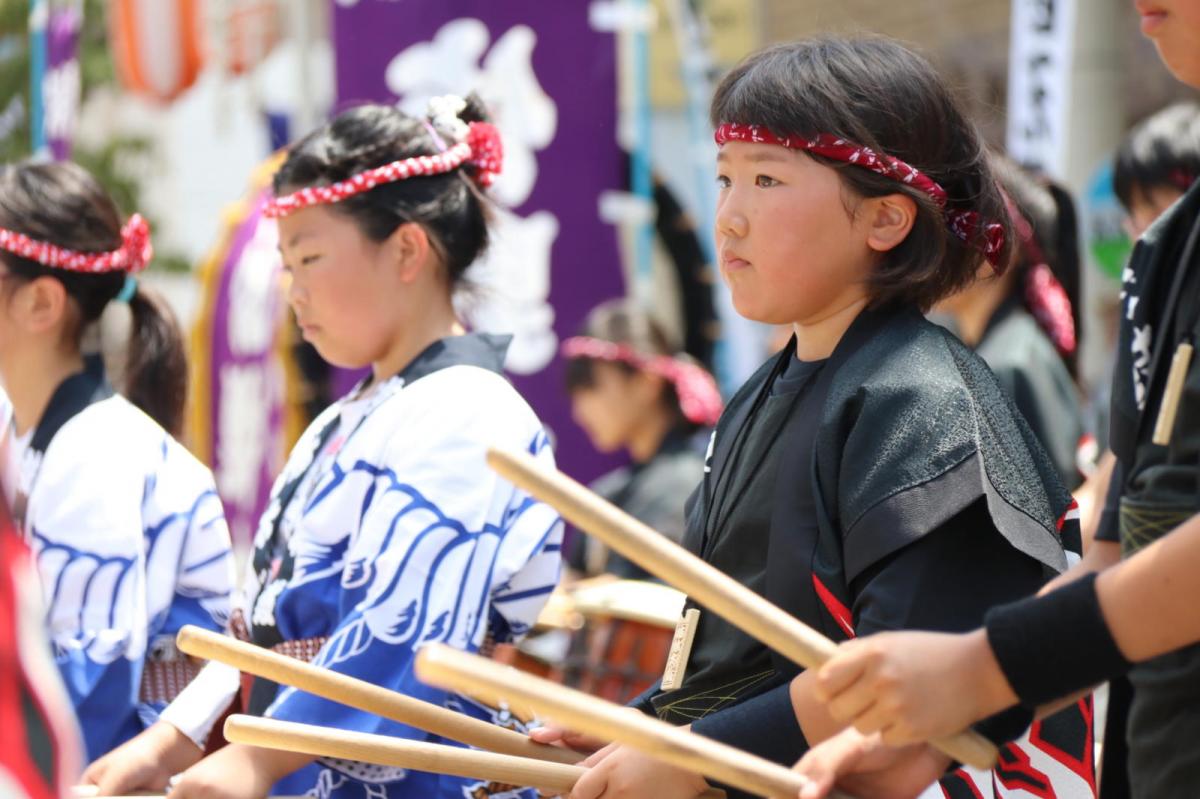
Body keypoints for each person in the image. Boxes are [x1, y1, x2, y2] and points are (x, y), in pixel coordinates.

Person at [533, 36, 1091, 799]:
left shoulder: (922, 400)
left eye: (765, 178)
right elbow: (747, 659)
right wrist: (648, 726)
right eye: (726, 178)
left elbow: (905, 675)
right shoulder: (762, 393)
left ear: (887, 219)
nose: (728, 217)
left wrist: (695, 754)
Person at [82, 96, 564, 799]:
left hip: (410, 765)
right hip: (300, 748)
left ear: (406, 249)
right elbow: (267, 635)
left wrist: (257, 760)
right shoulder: (349, 418)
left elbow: (405, 631)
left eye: (309, 257)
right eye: (285, 262)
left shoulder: (468, 410)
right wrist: (170, 742)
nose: (293, 289)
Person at [793, 4, 1200, 797]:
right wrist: (952, 727)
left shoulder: (957, 376)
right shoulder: (1168, 251)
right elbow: (1121, 552)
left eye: (769, 178)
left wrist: (979, 670)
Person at [0, 161, 235, 763]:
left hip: (118, 767)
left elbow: (88, 686)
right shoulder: (32, 432)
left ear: (41, 302)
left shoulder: (92, 452)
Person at [936, 154, 1086, 490]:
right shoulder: (1008, 350)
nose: (930, 249)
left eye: (953, 226)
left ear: (998, 247)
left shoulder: (1009, 364)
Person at [563, 298, 720, 580]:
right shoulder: (612, 491)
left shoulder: (684, 485)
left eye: (591, 388)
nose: (580, 411)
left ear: (647, 382)